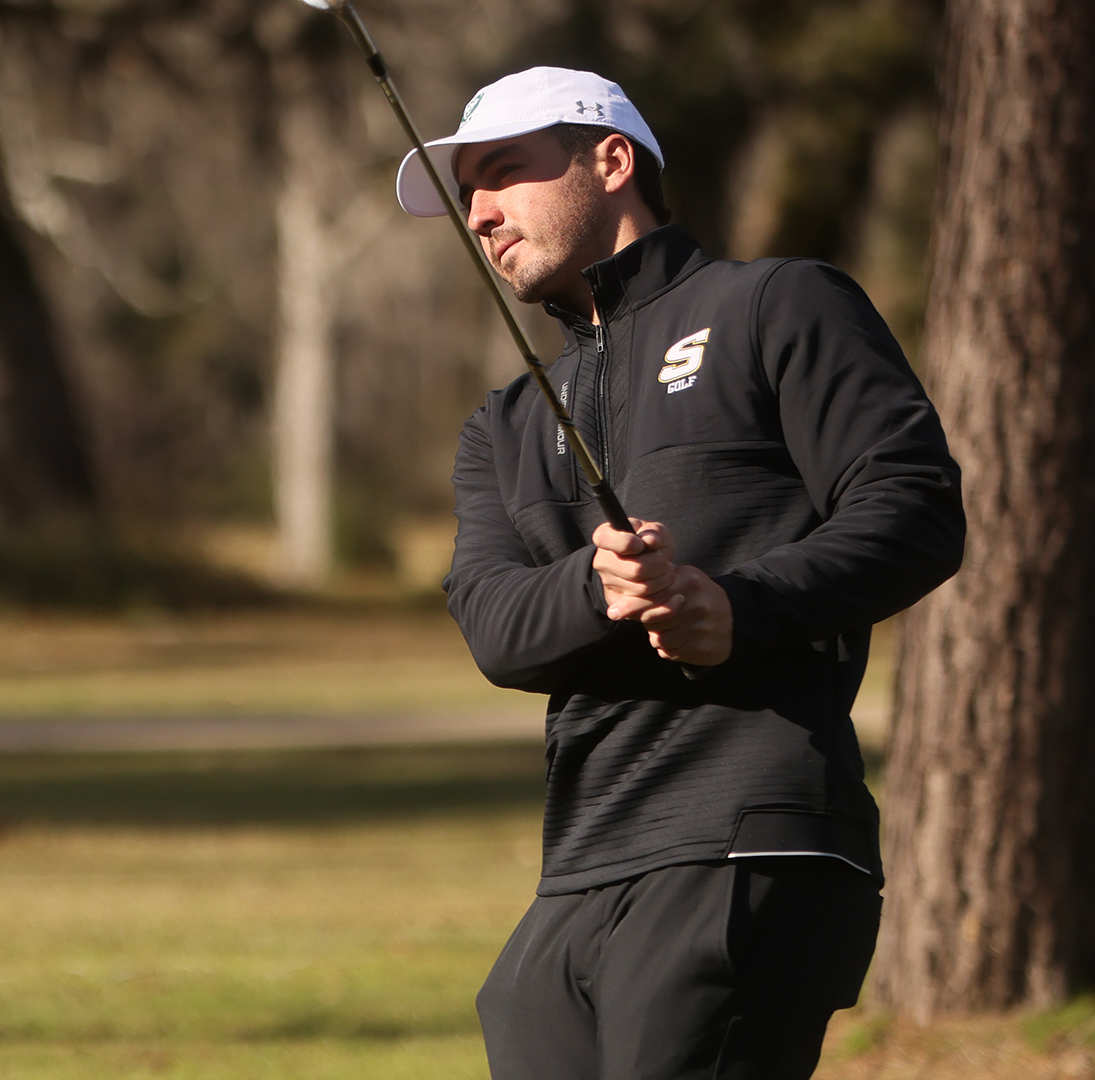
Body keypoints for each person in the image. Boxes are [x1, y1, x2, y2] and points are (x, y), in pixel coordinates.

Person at [396, 67, 965, 1079]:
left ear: (611, 161)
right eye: (464, 193)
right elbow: (491, 624)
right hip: (578, 872)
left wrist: (737, 609)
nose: (477, 213)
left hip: (755, 842)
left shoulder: (778, 304)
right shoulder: (503, 425)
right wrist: (595, 586)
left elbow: (914, 512)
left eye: (503, 174)